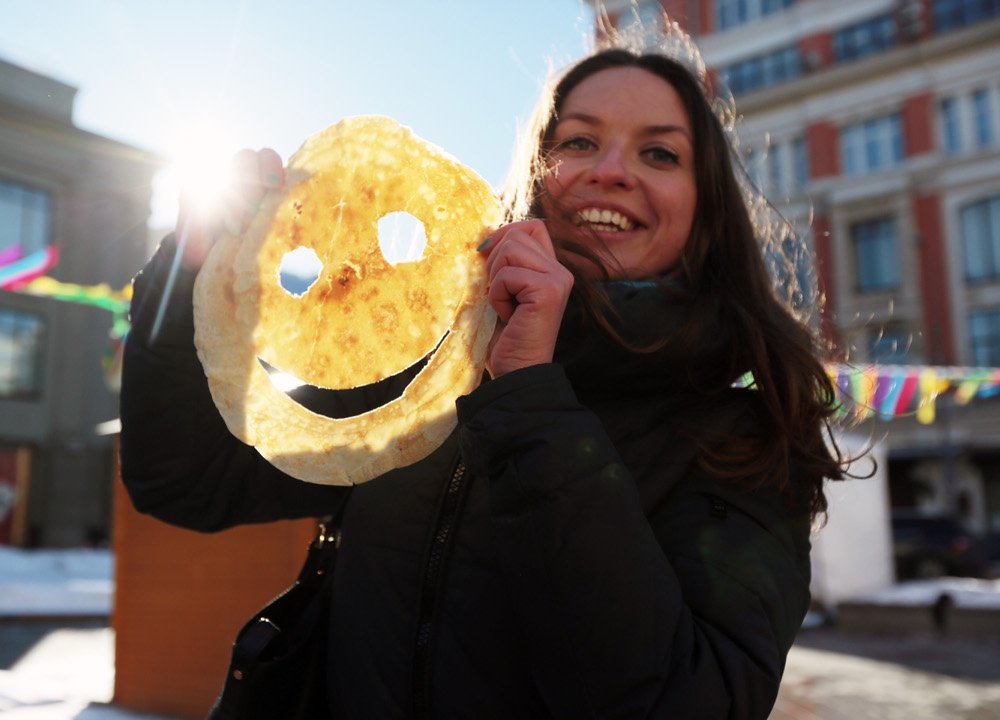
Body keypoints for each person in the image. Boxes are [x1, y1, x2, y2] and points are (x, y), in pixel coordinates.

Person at [119, 24, 848, 719]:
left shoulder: (745, 435)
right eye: (579, 141)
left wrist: (529, 396)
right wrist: (186, 272)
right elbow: (188, 479)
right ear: (534, 178)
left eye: (659, 154)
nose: (610, 171)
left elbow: (688, 701)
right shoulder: (426, 367)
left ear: (707, 210)